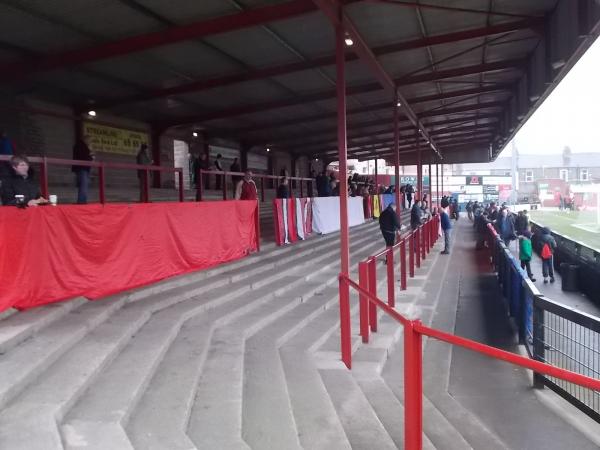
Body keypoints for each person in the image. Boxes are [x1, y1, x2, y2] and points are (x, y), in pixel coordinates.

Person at [72, 136, 94, 204]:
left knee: (84, 185)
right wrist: (91, 156)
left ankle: (82, 201)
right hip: (82, 168)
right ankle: (81, 202)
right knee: (83, 185)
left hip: (84, 168)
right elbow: (84, 157)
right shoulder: (81, 145)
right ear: (86, 139)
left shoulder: (83, 146)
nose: (90, 142)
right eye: (89, 140)